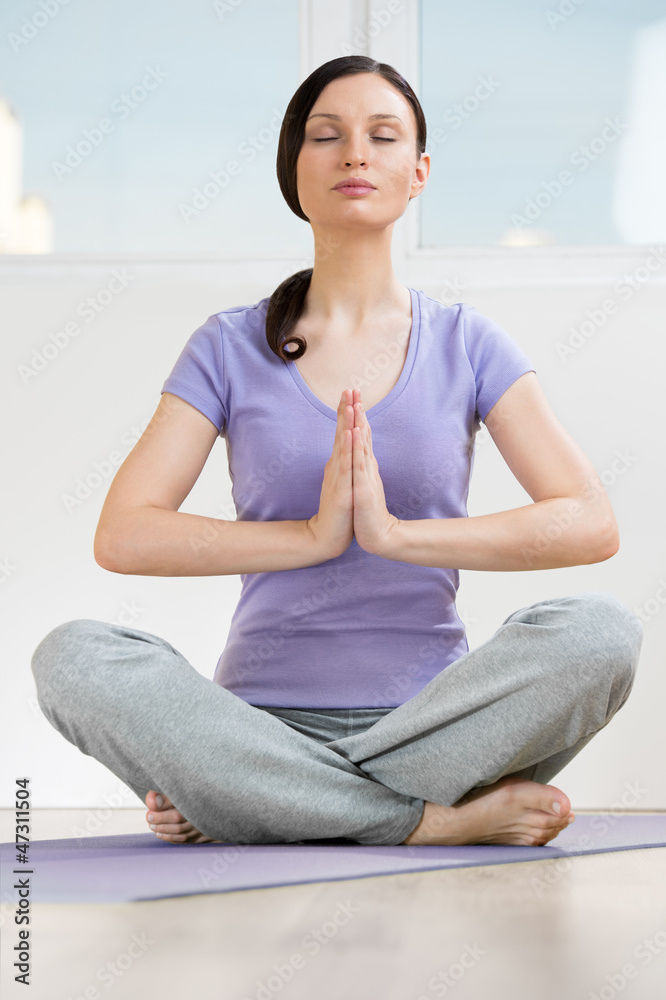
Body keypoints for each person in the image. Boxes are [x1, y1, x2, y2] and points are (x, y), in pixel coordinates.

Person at [31, 56, 642, 849]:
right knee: (72, 657)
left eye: (382, 136)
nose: (356, 153)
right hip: (256, 725)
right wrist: (312, 538)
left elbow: (589, 523)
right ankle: (417, 822)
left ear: (417, 172)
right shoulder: (228, 346)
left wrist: (394, 536)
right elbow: (124, 534)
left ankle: (266, 804)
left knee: (602, 633)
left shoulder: (468, 342)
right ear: (295, 169)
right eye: (327, 135)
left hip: (435, 733)